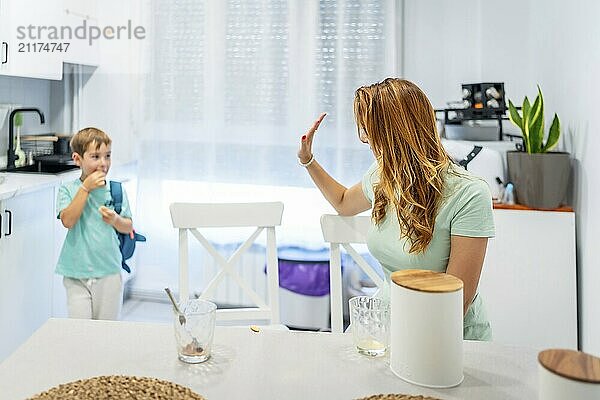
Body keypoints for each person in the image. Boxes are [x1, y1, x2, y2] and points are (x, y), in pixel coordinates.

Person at [297, 78, 495, 340]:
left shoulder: (468, 194)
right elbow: (344, 202)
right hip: (388, 322)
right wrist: (308, 160)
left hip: (444, 337)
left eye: (370, 131)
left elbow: (455, 306)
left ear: (395, 134)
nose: (365, 139)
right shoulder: (383, 176)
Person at [56, 127, 133, 320]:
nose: (103, 163)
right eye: (95, 156)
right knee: (81, 331)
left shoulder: (116, 190)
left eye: (107, 156)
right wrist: (85, 189)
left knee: (106, 333)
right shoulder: (68, 190)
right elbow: (68, 220)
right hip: (76, 273)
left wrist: (115, 219)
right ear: (77, 159)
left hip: (109, 271)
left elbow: (129, 227)